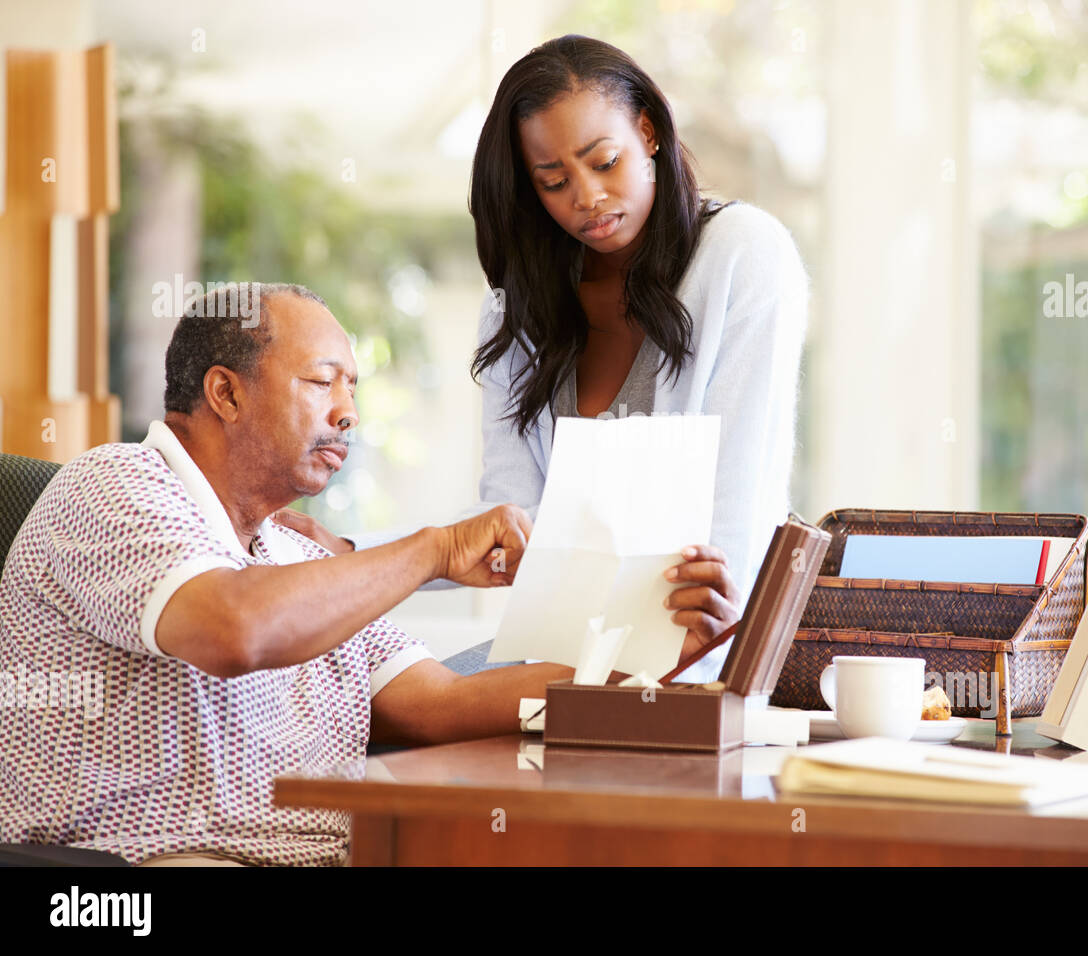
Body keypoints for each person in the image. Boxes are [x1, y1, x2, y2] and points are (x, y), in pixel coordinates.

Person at [0, 283, 736, 866]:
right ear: (225, 394)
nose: (348, 414)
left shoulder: (298, 558)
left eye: (353, 389)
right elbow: (234, 628)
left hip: (338, 852)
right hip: (145, 866)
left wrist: (649, 658)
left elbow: (439, 705)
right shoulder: (115, 487)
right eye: (323, 383)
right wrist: (434, 550)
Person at [284, 35, 809, 680]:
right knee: (376, 717)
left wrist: (708, 630)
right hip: (559, 657)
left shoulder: (742, 254)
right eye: (554, 182)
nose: (586, 197)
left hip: (701, 652)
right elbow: (510, 529)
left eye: (605, 161)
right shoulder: (515, 308)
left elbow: (738, 508)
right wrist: (350, 551)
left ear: (648, 132)